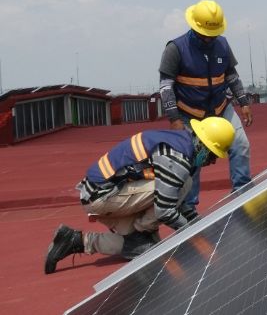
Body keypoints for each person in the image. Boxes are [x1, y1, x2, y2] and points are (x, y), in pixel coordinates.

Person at [44, 117, 235, 274]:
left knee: (136, 247)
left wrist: (198, 223)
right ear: (202, 145)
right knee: (183, 185)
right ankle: (144, 230)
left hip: (104, 193)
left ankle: (75, 241)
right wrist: (193, 234)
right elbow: (165, 209)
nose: (213, 161)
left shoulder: (180, 142)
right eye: (212, 154)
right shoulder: (176, 158)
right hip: (102, 196)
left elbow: (179, 200)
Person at [158, 0, 253, 214]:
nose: (209, 39)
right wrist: (174, 119)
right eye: (205, 34)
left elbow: (231, 76)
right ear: (195, 26)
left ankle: (243, 191)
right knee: (193, 159)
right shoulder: (176, 48)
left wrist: (244, 102)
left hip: (220, 108)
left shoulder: (222, 44)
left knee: (240, 145)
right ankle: (189, 207)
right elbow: (166, 87)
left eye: (213, 34)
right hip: (189, 113)